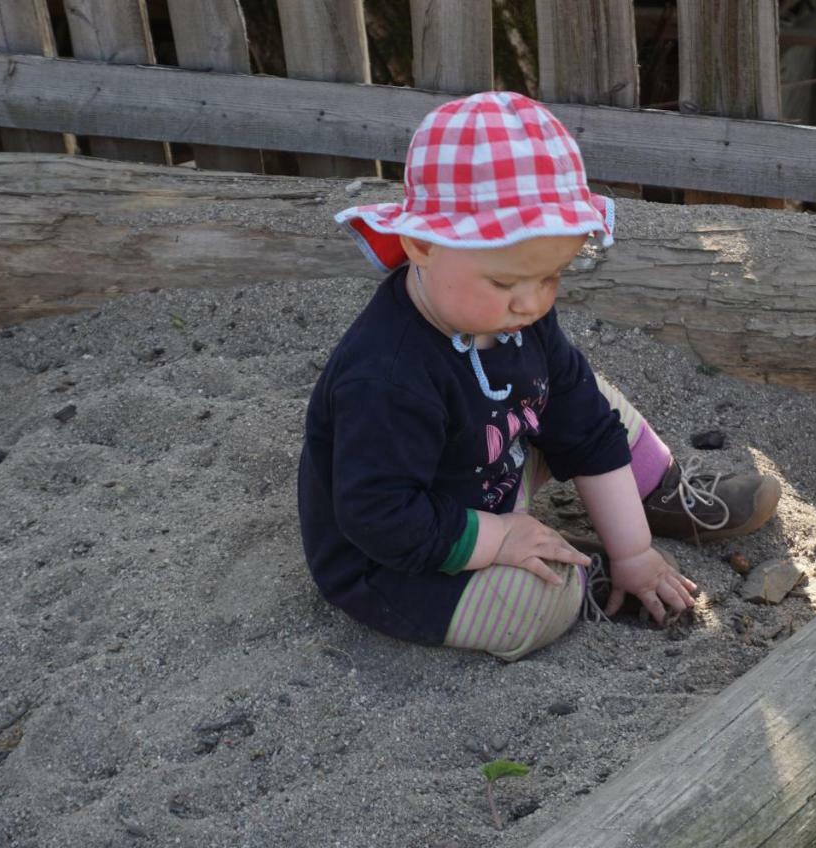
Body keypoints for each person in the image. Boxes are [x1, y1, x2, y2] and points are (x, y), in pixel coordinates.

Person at [298, 91, 780, 662]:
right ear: (422, 244)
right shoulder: (387, 377)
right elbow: (378, 517)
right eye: (505, 283)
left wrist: (634, 552)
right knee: (532, 606)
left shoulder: (519, 318)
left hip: (493, 469)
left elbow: (585, 426)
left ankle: (653, 497)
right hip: (398, 551)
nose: (530, 303)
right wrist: (497, 538)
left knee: (587, 394)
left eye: (551, 276)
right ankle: (570, 569)